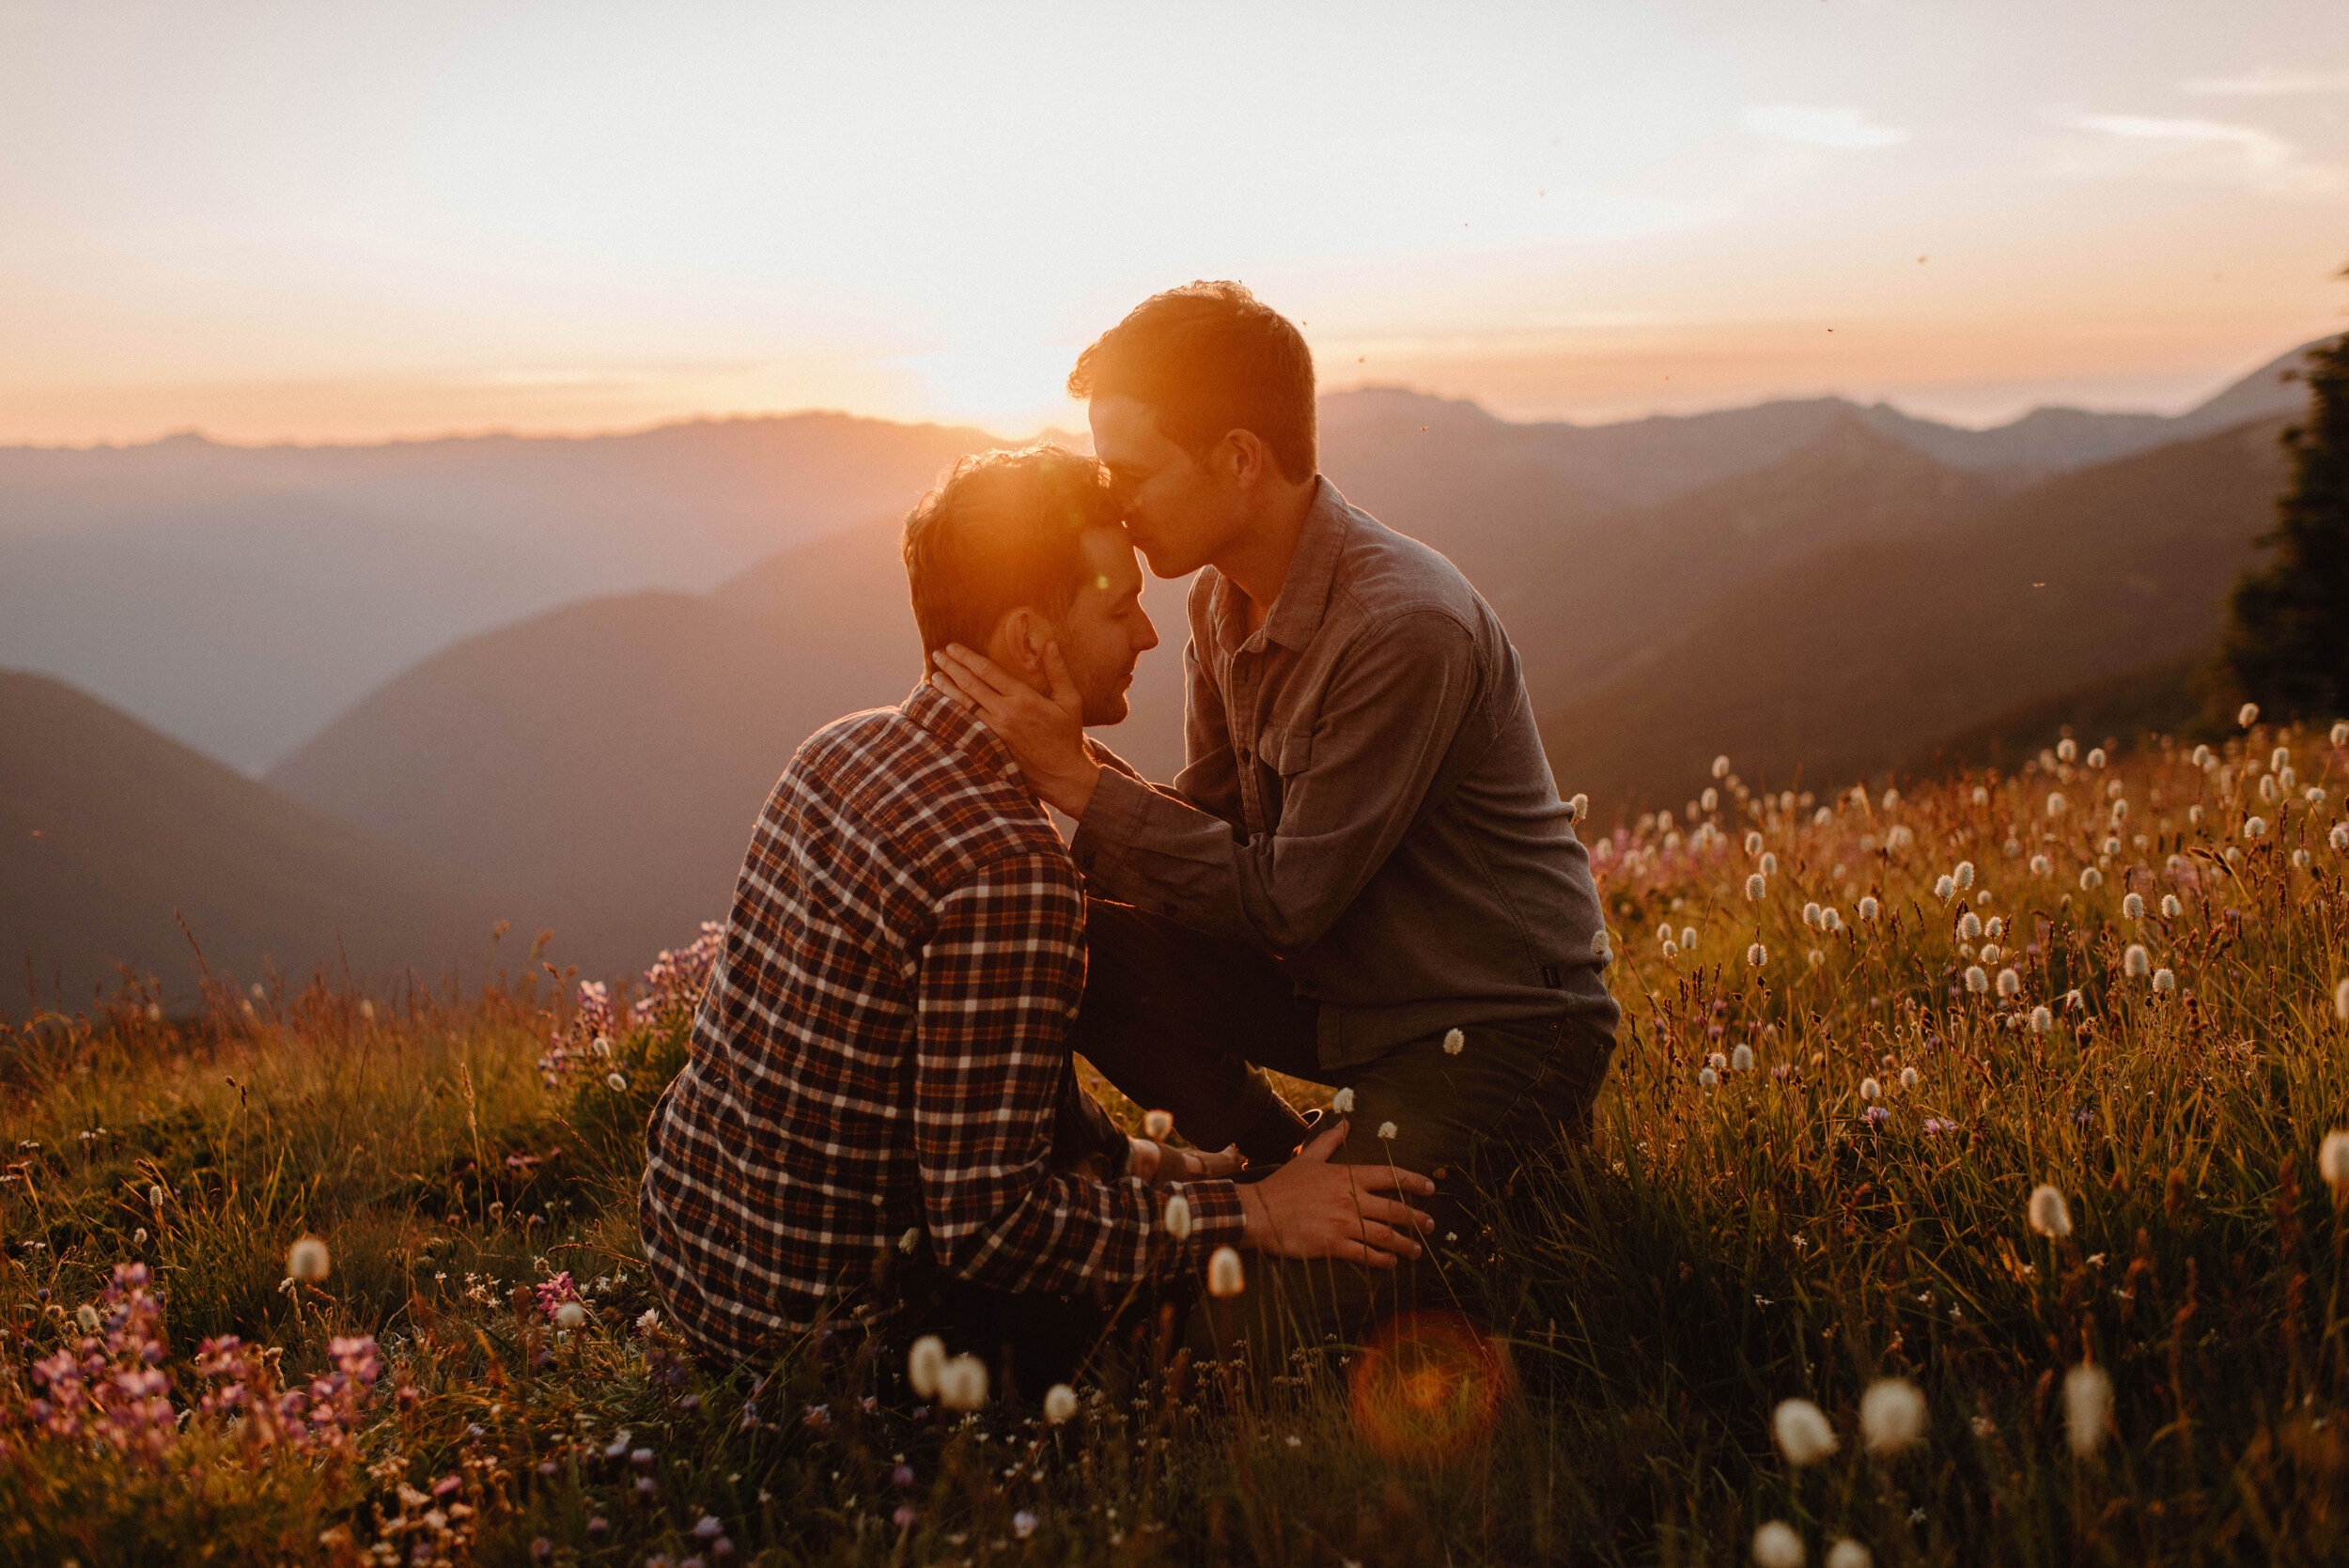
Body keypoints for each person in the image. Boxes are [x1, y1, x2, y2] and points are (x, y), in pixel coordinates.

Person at [637, 444, 1436, 1391]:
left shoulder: (836, 753)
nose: (1146, 633)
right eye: (1115, 606)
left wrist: (1223, 1177)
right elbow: (992, 1229)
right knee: (1313, 1301)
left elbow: (1012, 1130)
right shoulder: (1005, 870)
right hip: (845, 1337)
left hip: (700, 1265)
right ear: (1029, 642)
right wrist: (1261, 1216)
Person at [928, 282, 1621, 1351]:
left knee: (1228, 1338)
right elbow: (1211, 834)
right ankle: (1280, 1168)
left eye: (1132, 472)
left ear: (1240, 458)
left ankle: (1459, 1177)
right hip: (1342, 985)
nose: (1112, 503)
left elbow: (1286, 899)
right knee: (1078, 947)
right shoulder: (1218, 598)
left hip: (1487, 1023)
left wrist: (1073, 779)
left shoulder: (1402, 627)